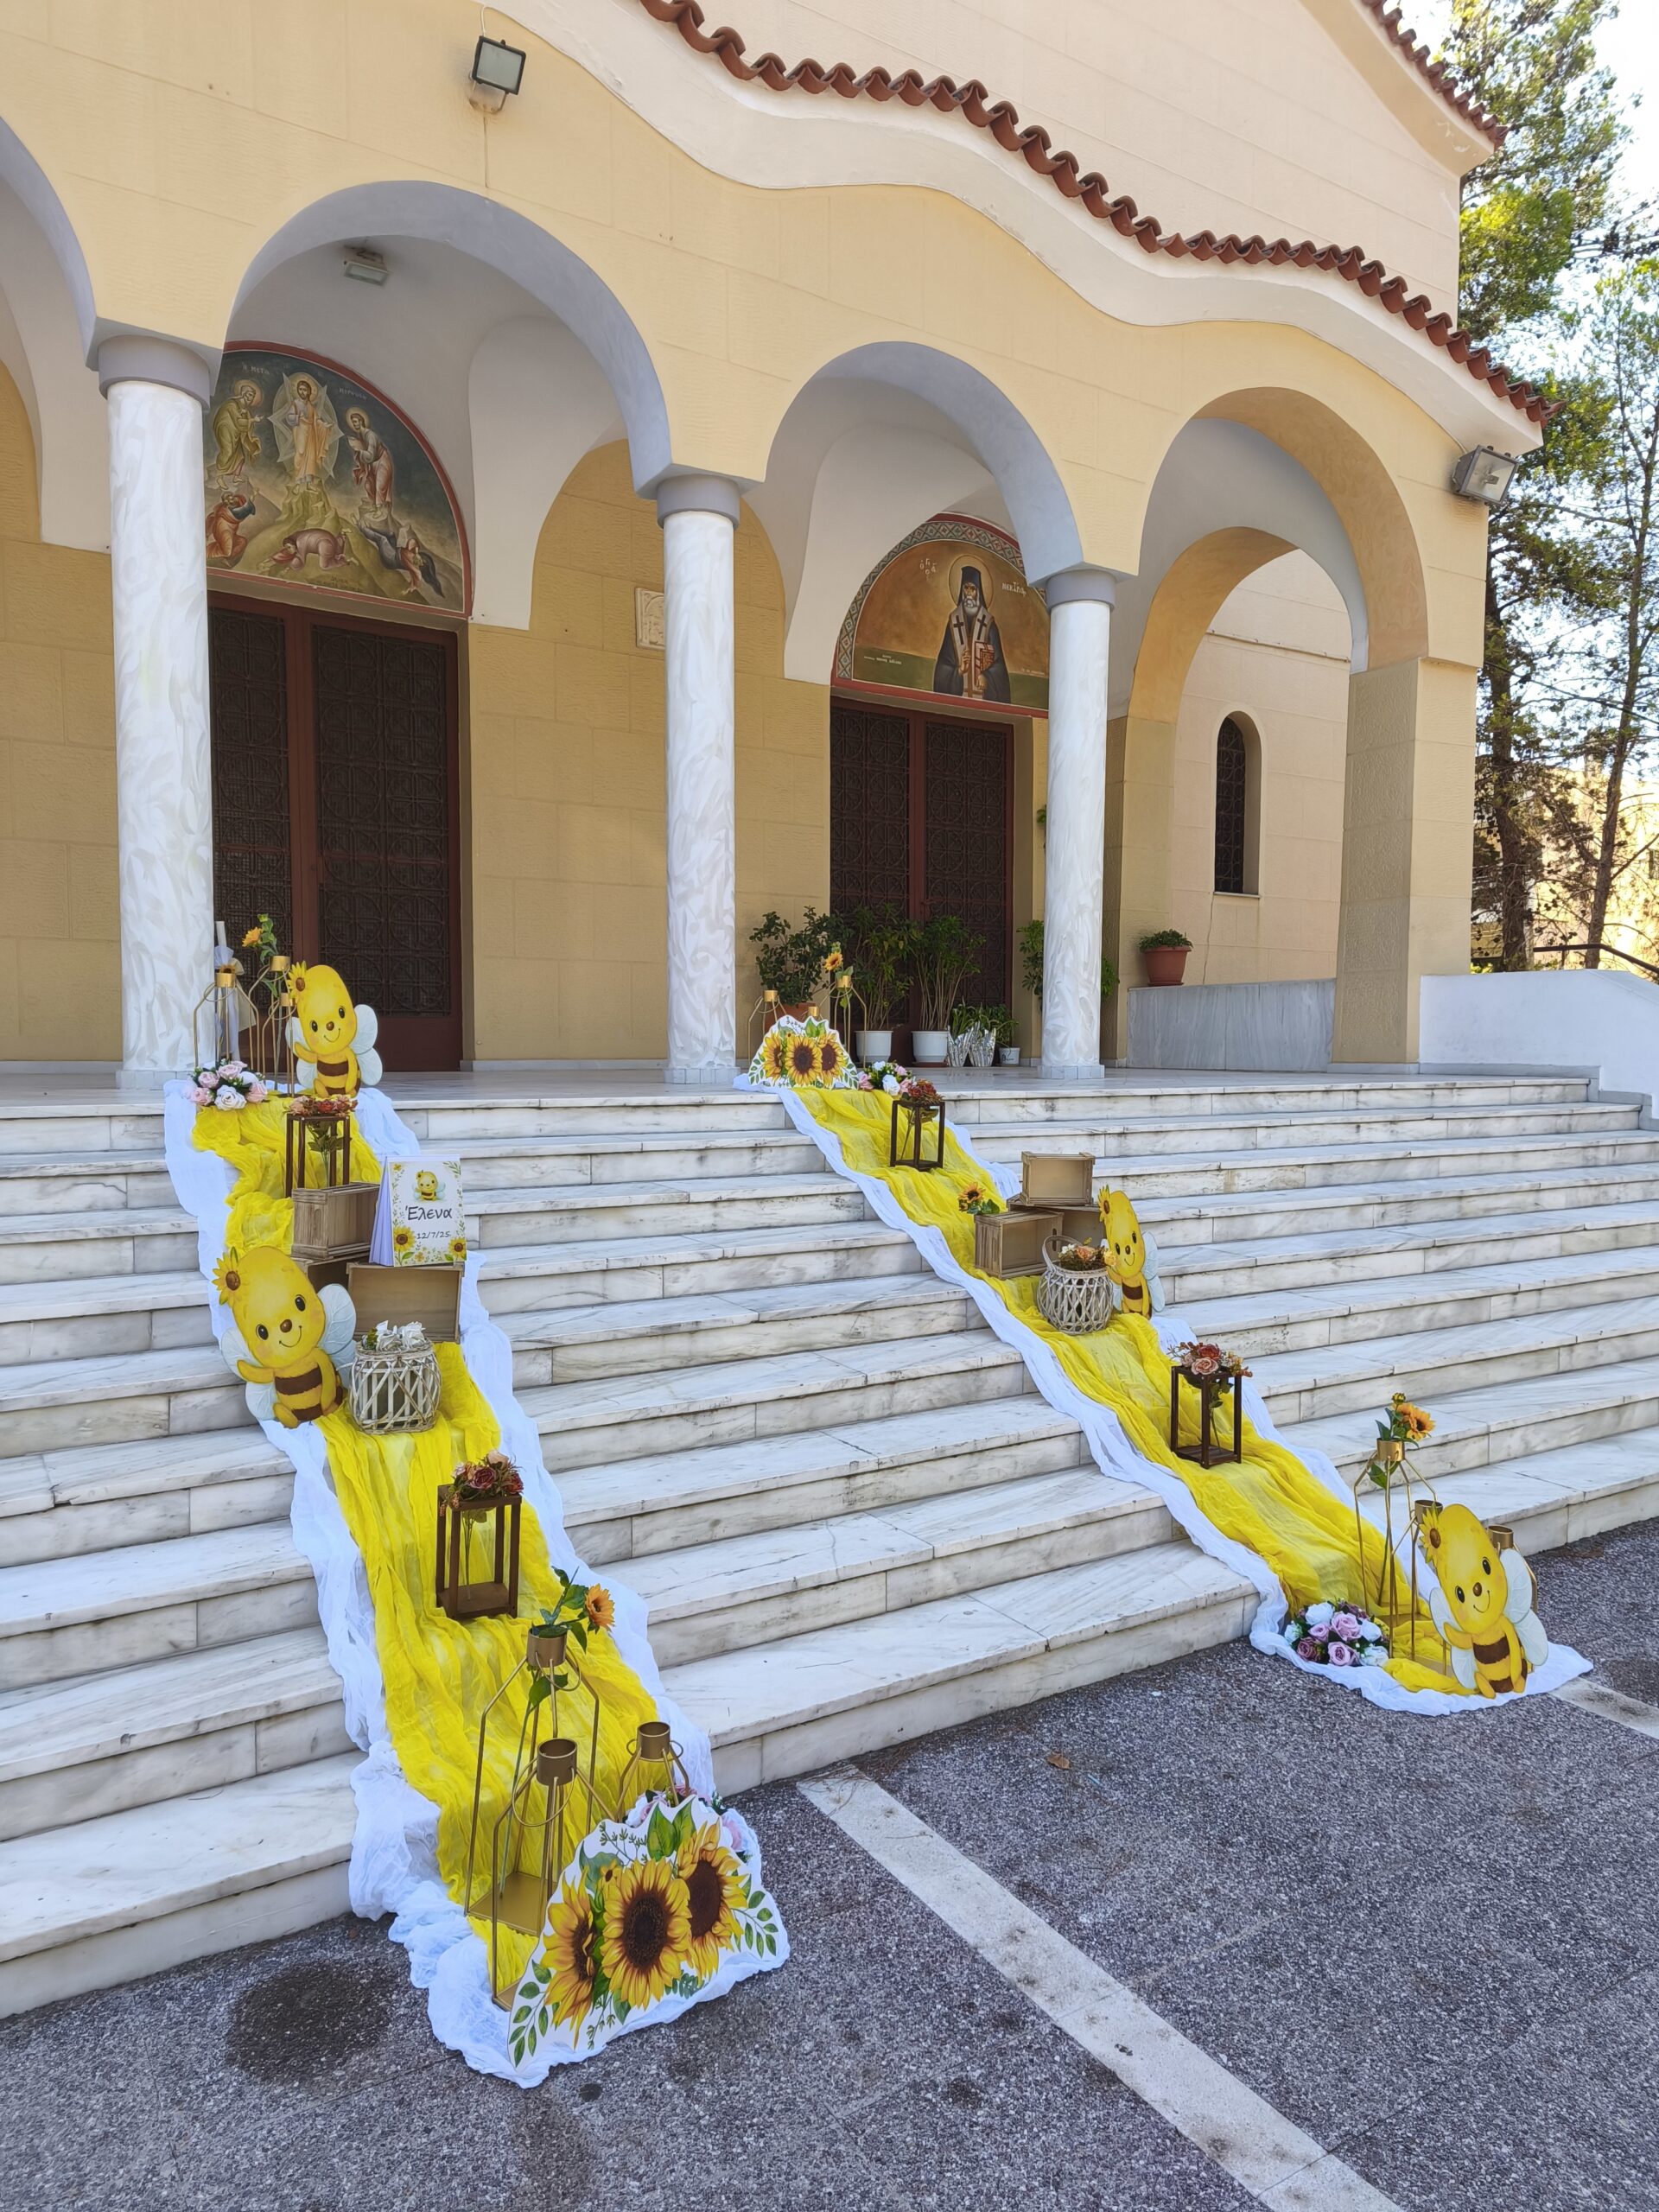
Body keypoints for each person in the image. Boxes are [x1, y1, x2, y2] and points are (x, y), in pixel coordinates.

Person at [932, 565, 1010, 702]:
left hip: (983, 700)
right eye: (966, 588)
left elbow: (999, 666)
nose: (968, 593)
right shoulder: (953, 621)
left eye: (972, 589)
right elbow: (943, 665)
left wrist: (986, 676)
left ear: (978, 592)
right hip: (958, 700)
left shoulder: (989, 624)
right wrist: (959, 671)